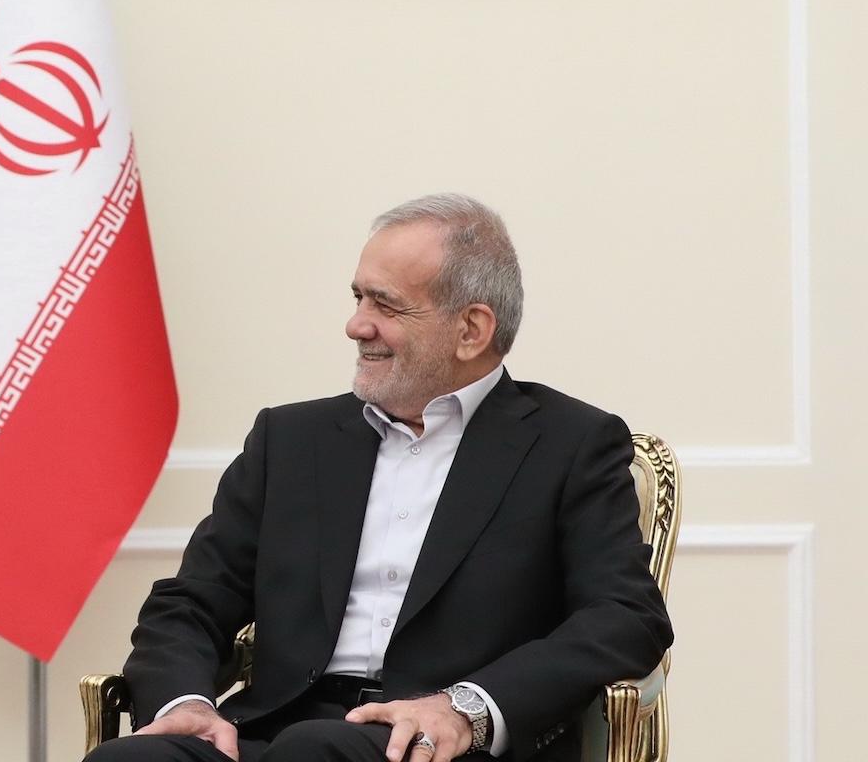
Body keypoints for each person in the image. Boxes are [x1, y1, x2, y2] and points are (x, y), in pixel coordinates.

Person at [87, 195, 671, 762]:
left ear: (472, 329)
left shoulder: (570, 444)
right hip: (273, 729)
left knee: (317, 750)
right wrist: (187, 701)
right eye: (358, 297)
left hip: (433, 743)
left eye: (385, 306)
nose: (355, 325)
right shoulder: (291, 439)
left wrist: (465, 709)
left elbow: (625, 616)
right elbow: (192, 601)